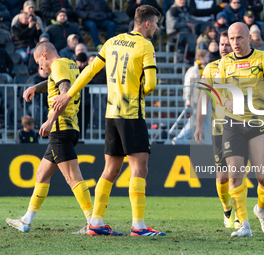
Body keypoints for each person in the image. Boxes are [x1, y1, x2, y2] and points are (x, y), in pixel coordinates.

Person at [52, 5, 165, 237]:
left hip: (111, 115)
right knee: (139, 168)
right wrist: (142, 89)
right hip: (132, 113)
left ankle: (95, 222)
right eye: (155, 23)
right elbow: (151, 84)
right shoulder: (145, 45)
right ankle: (139, 226)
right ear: (146, 23)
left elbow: (90, 71)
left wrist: (68, 94)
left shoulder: (112, 41)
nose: (157, 28)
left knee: (110, 169)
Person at [6, 41, 93, 234]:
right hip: (69, 127)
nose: (39, 67)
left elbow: (64, 92)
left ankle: (93, 222)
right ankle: (26, 221)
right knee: (41, 175)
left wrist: (50, 121)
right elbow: (56, 81)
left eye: (38, 62)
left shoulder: (58, 65)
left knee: (73, 178)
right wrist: (36, 87)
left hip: (61, 127)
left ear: (44, 55)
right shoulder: (68, 64)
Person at [215, 22, 264, 237]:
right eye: (232, 39)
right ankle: (243, 223)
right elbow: (217, 90)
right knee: (235, 175)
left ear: (249, 38)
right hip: (232, 123)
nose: (235, 43)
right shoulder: (224, 63)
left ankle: (260, 210)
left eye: (239, 38)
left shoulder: (263, 57)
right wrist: (226, 103)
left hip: (257, 123)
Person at [194, 30, 238, 229]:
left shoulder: (243, 67)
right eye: (221, 44)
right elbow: (203, 98)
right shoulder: (210, 69)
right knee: (222, 177)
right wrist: (198, 126)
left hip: (240, 127)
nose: (224, 48)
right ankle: (227, 209)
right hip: (219, 129)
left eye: (227, 44)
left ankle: (240, 216)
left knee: (237, 173)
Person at [172, 49, 210, 144]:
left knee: (206, 121)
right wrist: (187, 99)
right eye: (207, 57)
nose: (209, 59)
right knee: (195, 121)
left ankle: (209, 142)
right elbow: (188, 85)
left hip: (205, 100)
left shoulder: (206, 69)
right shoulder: (193, 70)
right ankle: (179, 139)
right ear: (201, 58)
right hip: (196, 100)